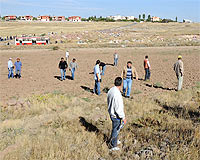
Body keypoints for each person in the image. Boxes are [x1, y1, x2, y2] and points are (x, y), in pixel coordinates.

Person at [108, 77, 126, 151]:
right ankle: (113, 145)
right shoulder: (117, 94)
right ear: (121, 84)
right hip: (116, 115)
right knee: (116, 129)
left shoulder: (111, 90)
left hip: (111, 113)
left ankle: (115, 140)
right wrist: (123, 117)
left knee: (115, 128)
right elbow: (118, 108)